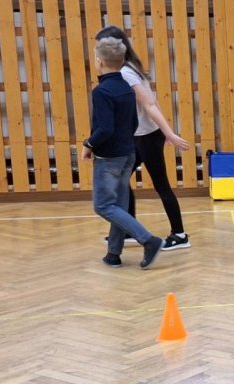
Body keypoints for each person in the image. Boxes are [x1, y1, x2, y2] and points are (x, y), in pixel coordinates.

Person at [95, 26, 193, 250]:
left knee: (161, 185)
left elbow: (149, 104)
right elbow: (153, 102)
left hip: (146, 138)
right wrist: (164, 130)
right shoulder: (130, 67)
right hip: (141, 136)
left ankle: (180, 235)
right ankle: (128, 229)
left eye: (101, 44)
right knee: (122, 181)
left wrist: (168, 133)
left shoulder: (126, 72)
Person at [84, 37, 162, 269]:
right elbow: (134, 122)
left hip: (109, 158)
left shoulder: (102, 92)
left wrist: (88, 144)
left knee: (103, 206)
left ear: (99, 61)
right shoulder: (127, 89)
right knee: (118, 204)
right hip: (128, 153)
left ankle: (148, 240)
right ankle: (113, 253)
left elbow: (105, 128)